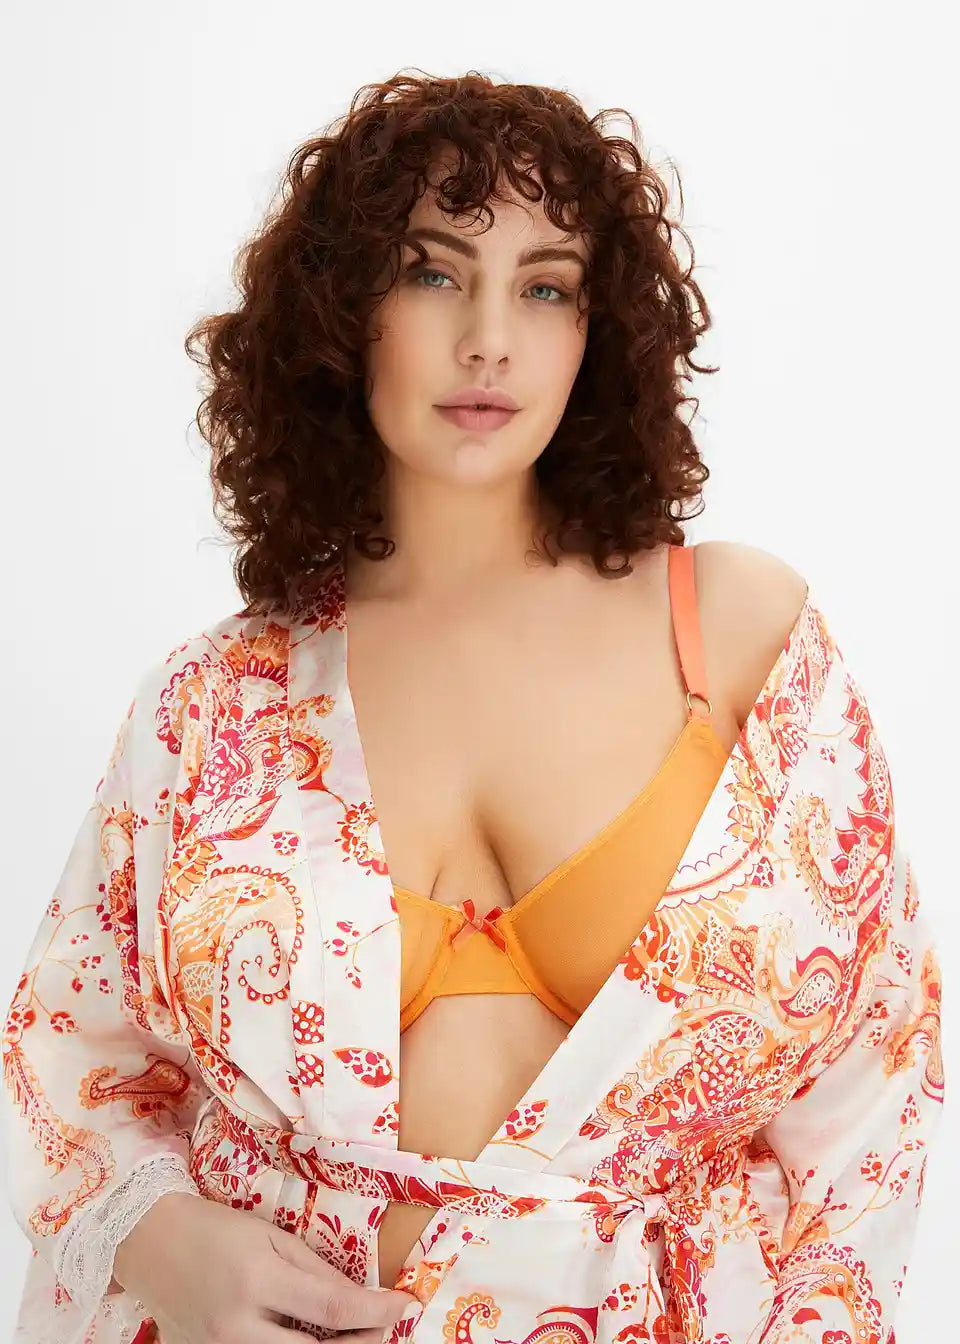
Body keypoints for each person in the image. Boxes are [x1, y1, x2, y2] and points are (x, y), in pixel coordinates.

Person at [2, 70, 943, 1344]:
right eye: (433, 274)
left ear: (598, 332)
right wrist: (161, 1243)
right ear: (343, 313)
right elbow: (68, 1054)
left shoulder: (737, 639)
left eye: (545, 287)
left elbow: (876, 1099)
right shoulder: (213, 702)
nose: (490, 337)